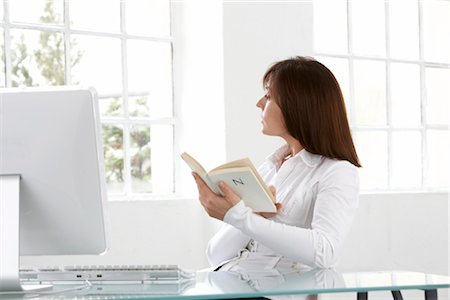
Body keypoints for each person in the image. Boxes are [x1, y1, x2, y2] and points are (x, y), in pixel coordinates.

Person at [192, 56, 361, 273]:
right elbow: (216, 255)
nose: (259, 103)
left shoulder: (337, 172)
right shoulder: (271, 166)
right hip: (227, 281)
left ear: (299, 105)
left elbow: (325, 251)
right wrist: (252, 215)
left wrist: (239, 216)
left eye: (269, 95)